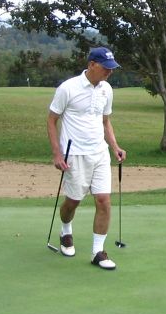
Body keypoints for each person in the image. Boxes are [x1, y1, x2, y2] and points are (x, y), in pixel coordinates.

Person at [47, 47, 127, 270]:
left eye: (112, 69)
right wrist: (57, 153)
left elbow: (105, 121)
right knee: (73, 201)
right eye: (106, 68)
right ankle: (66, 231)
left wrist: (114, 146)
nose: (109, 73)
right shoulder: (68, 88)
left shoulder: (106, 89)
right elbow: (52, 120)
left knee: (103, 200)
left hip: (99, 153)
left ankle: (98, 252)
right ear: (92, 64)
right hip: (75, 154)